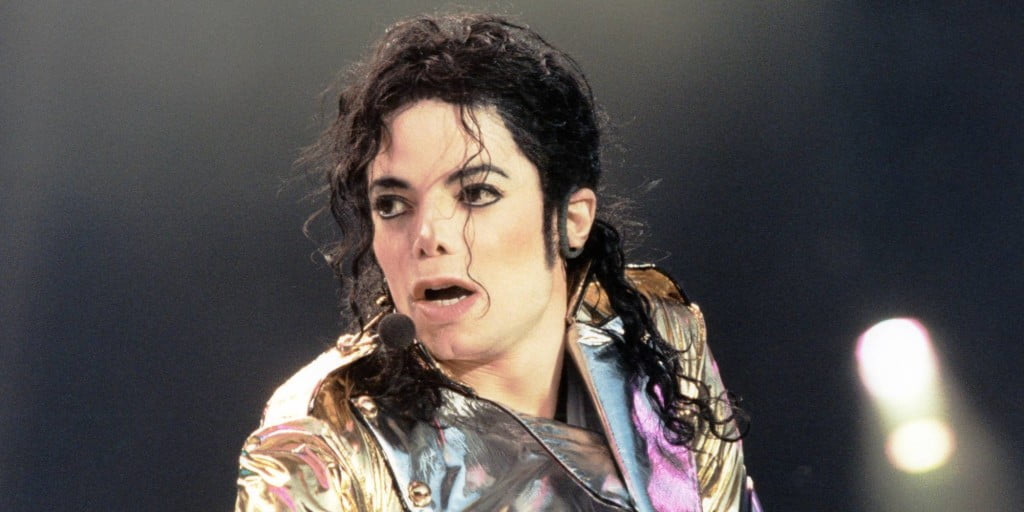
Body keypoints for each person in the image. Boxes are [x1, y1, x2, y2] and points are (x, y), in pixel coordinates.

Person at [235, 13, 761, 512]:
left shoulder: (658, 344)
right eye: (392, 204)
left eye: (476, 193)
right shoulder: (322, 442)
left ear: (570, 219)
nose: (427, 236)